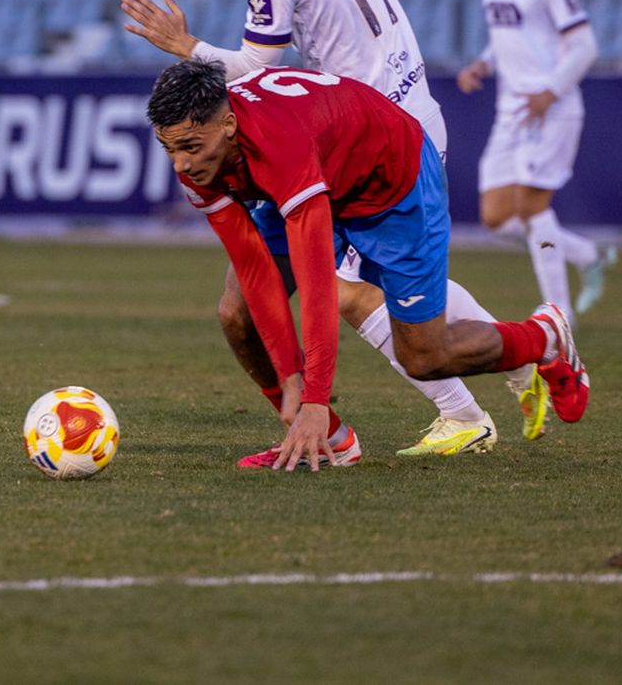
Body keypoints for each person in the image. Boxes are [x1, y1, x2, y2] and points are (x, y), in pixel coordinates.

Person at [121, 0, 589, 453]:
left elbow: (261, 72)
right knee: (349, 290)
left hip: (378, 144)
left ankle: (493, 382)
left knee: (359, 294)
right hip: (390, 118)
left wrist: (188, 47)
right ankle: (494, 378)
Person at [148, 58, 590, 472]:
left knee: (424, 357)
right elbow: (254, 269)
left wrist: (314, 398)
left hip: (391, 182)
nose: (181, 164)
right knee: (236, 312)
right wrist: (289, 378)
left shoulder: (279, 145)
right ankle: (333, 442)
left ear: (228, 125)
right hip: (322, 168)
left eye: (189, 147)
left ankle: (544, 337)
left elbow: (315, 281)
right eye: (169, 149)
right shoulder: (196, 159)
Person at [457, 0, 616, 327]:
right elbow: (509, 33)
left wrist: (552, 90)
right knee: (495, 217)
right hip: (511, 109)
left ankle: (559, 318)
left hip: (552, 107)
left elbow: (585, 46)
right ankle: (588, 254)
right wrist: (484, 63)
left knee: (530, 207)